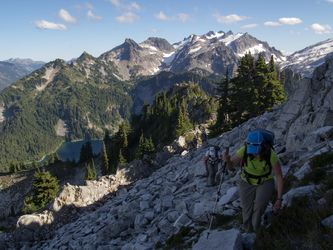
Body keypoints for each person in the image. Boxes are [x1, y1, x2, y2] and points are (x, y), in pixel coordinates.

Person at [222, 131, 284, 233]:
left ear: (262, 145)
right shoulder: (245, 150)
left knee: (260, 205)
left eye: (256, 149)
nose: (253, 152)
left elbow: (279, 176)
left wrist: (279, 199)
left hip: (265, 181)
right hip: (247, 181)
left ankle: (255, 232)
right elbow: (230, 166)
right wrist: (227, 161)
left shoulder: (271, 154)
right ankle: (248, 231)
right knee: (247, 210)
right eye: (251, 149)